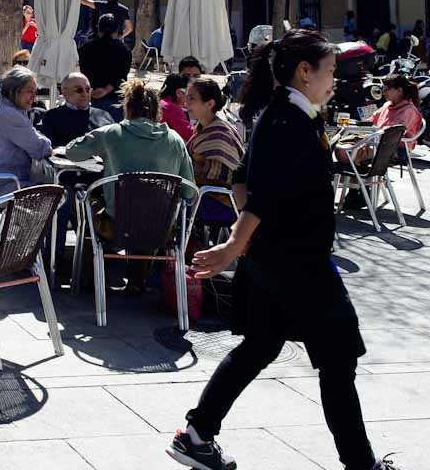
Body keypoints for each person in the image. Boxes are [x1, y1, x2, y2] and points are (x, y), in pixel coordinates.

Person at [169, 28, 394, 470]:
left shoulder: (291, 115)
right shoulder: (286, 121)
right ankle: (361, 465)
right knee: (337, 358)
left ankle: (197, 435)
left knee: (261, 346)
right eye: (330, 70)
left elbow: (241, 180)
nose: (336, 79)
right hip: (299, 265)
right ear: (304, 72)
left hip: (277, 259)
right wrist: (235, 244)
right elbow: (264, 193)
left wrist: (249, 242)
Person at [60, 79, 194, 211]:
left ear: (127, 108)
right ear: (157, 111)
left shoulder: (111, 133)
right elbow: (189, 192)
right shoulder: (175, 140)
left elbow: (72, 152)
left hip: (117, 224)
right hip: (162, 228)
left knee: (85, 197)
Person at [0, 66, 52, 199]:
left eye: (35, 91)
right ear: (12, 91)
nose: (34, 97)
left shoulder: (7, 108)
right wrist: (47, 146)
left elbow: (32, 136)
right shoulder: (9, 114)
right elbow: (40, 148)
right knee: (58, 193)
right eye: (29, 91)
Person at [185, 79, 243, 187]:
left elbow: (220, 179)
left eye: (192, 98)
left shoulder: (220, 134)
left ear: (210, 104)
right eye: (187, 97)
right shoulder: (202, 128)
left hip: (218, 199)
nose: (186, 102)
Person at [78, 12, 131, 92]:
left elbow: (82, 71)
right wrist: (106, 90)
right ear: (116, 31)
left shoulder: (86, 47)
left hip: (89, 93)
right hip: (115, 95)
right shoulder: (124, 50)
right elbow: (122, 76)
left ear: (99, 29)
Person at [159, 73, 196, 142]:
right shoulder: (171, 108)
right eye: (189, 91)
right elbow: (189, 134)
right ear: (179, 92)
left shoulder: (161, 103)